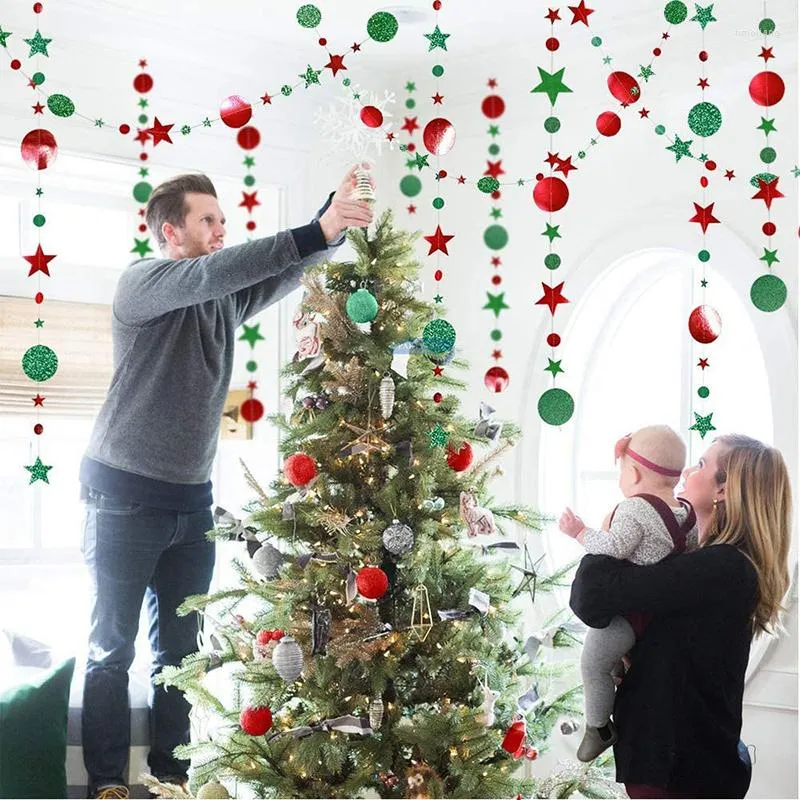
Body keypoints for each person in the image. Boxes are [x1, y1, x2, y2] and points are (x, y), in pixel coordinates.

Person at [79, 165, 374, 799]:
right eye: (208, 220)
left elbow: (279, 272)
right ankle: (108, 785)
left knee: (181, 659)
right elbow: (221, 269)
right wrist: (313, 228)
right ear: (170, 231)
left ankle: (171, 779)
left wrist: (335, 218)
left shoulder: (219, 295)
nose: (221, 229)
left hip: (191, 503)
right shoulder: (143, 284)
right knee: (111, 651)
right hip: (123, 497)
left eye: (223, 219)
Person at [570, 434, 792, 799]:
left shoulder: (720, 567)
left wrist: (610, 529)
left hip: (678, 768)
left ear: (724, 490)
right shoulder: (711, 564)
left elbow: (591, 595)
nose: (687, 471)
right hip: (684, 762)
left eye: (703, 464)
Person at [558, 425, 698, 762]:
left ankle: (598, 727)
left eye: (620, 470)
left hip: (627, 615)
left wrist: (579, 532)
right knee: (611, 661)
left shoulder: (635, 509)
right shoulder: (686, 513)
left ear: (633, 473)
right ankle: (620, 670)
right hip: (663, 617)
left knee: (592, 663)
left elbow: (614, 547)